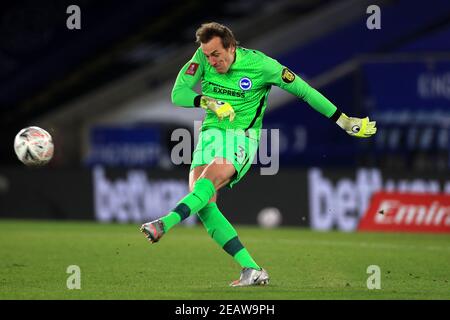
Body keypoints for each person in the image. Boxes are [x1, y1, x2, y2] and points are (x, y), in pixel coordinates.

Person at [140, 22, 376, 287]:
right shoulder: (203, 58)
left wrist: (342, 120)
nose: (211, 61)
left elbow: (305, 91)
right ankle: (251, 269)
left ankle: (165, 223)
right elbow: (178, 94)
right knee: (205, 205)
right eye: (207, 55)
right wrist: (207, 101)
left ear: (231, 47)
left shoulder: (262, 66)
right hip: (209, 136)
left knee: (206, 183)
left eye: (216, 54)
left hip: (241, 138)